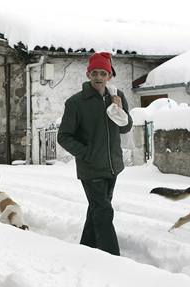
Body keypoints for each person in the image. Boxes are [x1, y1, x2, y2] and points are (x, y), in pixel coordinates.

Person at [58, 52, 133, 256]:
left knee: (97, 210)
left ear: (109, 76)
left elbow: (125, 128)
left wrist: (119, 110)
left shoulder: (118, 97)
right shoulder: (76, 103)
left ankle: (86, 249)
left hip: (112, 166)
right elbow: (64, 136)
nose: (98, 77)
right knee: (104, 211)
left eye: (103, 73)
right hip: (91, 168)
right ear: (88, 74)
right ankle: (112, 257)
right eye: (94, 73)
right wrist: (87, 153)